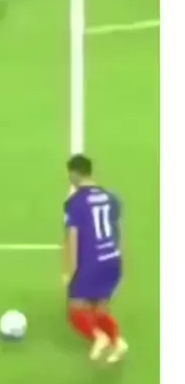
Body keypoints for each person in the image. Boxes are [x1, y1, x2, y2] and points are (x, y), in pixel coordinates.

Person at [63, 155, 128, 363]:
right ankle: (118, 343)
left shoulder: (75, 203)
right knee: (99, 309)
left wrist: (70, 273)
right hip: (113, 259)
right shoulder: (111, 198)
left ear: (74, 174)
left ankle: (99, 337)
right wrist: (120, 263)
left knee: (75, 311)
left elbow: (73, 238)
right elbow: (119, 233)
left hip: (92, 262)